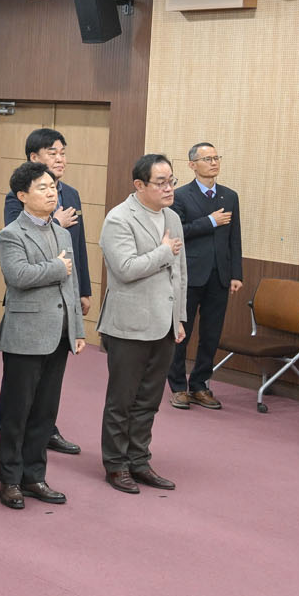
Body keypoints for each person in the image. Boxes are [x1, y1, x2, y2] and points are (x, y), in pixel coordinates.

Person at [0, 161, 84, 508]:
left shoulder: (62, 233)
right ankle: (10, 479)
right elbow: (17, 276)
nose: (51, 194)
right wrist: (56, 267)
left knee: (45, 412)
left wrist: (77, 328)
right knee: (16, 412)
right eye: (42, 188)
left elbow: (71, 284)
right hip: (26, 333)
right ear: (22, 195)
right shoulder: (12, 233)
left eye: (53, 187)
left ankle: (34, 476)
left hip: (59, 332)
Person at [97, 154, 187, 494]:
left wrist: (179, 317)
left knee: (149, 400)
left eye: (172, 181)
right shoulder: (119, 218)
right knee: (122, 400)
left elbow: (180, 273)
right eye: (161, 183)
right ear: (139, 185)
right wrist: (163, 251)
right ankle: (116, 465)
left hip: (164, 323)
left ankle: (139, 460)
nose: (169, 188)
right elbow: (125, 269)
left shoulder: (172, 218)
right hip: (129, 325)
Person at [2, 127, 90, 458]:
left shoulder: (72, 194)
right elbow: (20, 251)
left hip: (62, 305)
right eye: (53, 153)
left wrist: (83, 290)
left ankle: (44, 439)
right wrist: (56, 222)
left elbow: (77, 250)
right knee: (21, 394)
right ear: (34, 157)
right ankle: (13, 464)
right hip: (30, 307)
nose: (60, 158)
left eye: (63, 152)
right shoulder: (16, 197)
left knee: (48, 395)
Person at [168, 142, 244, 410]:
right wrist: (210, 221)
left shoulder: (229, 196)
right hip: (189, 274)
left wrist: (236, 273)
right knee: (182, 333)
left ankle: (200, 385)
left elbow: (234, 237)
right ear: (192, 165)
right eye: (207, 159)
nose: (213, 163)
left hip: (219, 275)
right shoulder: (180, 196)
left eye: (216, 158)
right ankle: (178, 386)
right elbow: (178, 232)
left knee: (211, 334)